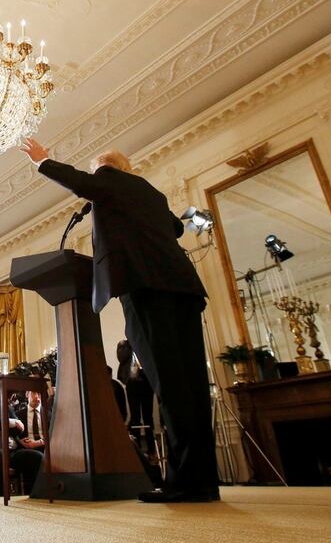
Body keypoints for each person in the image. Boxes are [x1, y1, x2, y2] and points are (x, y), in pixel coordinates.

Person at [22, 138, 218, 503]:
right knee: (192, 387)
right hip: (185, 290)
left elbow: (83, 183)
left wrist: (43, 161)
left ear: (104, 169)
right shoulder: (152, 195)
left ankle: (184, 484)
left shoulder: (108, 181)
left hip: (147, 289)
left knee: (171, 387)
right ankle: (204, 482)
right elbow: (175, 228)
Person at [117, 340, 156, 459]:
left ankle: (151, 449)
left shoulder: (145, 344)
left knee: (148, 416)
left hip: (146, 382)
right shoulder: (125, 345)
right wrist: (127, 345)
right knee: (135, 416)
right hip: (132, 383)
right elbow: (121, 357)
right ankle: (137, 449)